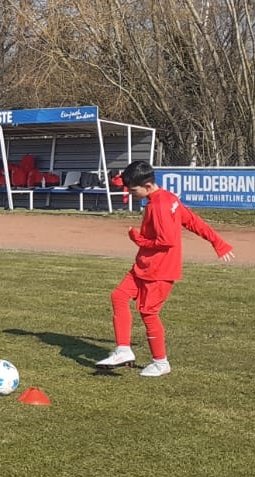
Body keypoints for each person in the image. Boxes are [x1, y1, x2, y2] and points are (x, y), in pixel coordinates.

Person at [94, 160, 236, 378]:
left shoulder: (158, 206)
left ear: (148, 186)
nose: (131, 194)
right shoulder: (168, 198)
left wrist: (138, 239)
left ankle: (161, 363)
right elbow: (193, 221)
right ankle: (123, 350)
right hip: (144, 265)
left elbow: (166, 241)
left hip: (160, 269)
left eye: (133, 190)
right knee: (119, 296)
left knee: (148, 313)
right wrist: (218, 242)